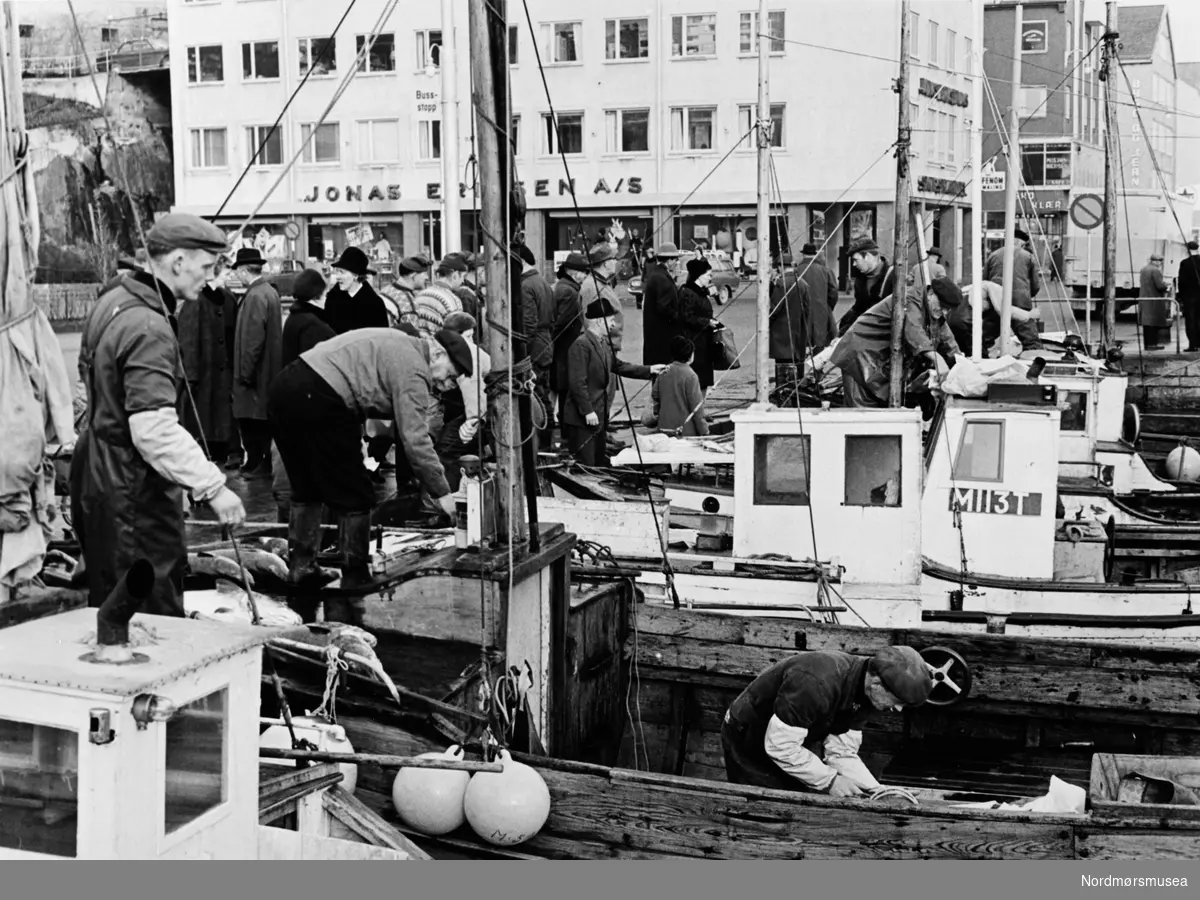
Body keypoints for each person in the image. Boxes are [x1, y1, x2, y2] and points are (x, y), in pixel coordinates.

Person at [69, 213, 246, 617]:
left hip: (99, 472)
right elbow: (153, 430)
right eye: (206, 266)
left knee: (109, 596)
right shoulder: (149, 326)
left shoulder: (112, 301)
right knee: (147, 609)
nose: (212, 278)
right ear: (178, 262)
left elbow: (89, 383)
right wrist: (213, 488)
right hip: (133, 490)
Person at [267, 327, 471, 624]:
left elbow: (356, 382)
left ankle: (302, 568)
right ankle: (355, 579)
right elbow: (415, 440)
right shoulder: (415, 369)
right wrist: (443, 495)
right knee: (356, 495)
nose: (449, 385)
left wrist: (358, 439)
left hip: (285, 388)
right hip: (319, 395)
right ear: (437, 354)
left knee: (307, 488)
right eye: (450, 375)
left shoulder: (398, 342)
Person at [721, 646, 933, 795]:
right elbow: (781, 747)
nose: (896, 709)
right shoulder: (815, 682)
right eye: (897, 701)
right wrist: (830, 781)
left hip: (793, 737)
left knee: (798, 793)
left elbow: (841, 752)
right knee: (761, 807)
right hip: (749, 734)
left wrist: (877, 790)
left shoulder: (867, 693)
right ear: (877, 682)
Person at [562, 295, 664, 467]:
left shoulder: (602, 344)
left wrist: (650, 370)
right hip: (584, 418)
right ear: (599, 321)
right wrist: (587, 411)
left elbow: (619, 366)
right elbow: (577, 383)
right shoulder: (581, 345)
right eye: (610, 320)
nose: (613, 324)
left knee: (599, 461)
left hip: (599, 416)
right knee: (586, 464)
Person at [830, 276, 960, 409]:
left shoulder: (933, 310)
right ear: (931, 294)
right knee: (862, 412)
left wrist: (961, 362)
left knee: (879, 412)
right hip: (858, 354)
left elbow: (947, 339)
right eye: (942, 306)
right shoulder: (908, 299)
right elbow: (914, 332)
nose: (944, 312)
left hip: (878, 360)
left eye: (948, 309)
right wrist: (937, 359)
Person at [272, 268, 337, 523]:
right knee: (304, 479)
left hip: (288, 406)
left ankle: (286, 531)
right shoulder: (314, 325)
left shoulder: (294, 318)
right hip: (307, 410)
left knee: (288, 474)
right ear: (319, 294)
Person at [178, 254, 235, 462]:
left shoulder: (223, 297)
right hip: (203, 376)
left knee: (216, 422)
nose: (229, 277)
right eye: (226, 272)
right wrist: (191, 377)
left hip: (217, 375)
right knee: (203, 421)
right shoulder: (196, 300)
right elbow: (189, 340)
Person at [231, 246, 283, 477]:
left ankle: (256, 464)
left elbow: (252, 340)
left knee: (253, 422)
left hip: (255, 375)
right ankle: (261, 462)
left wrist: (245, 373)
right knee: (262, 420)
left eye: (237, 271)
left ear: (243, 271)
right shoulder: (268, 292)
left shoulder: (254, 296)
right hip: (268, 370)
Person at [436, 312, 493, 491]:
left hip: (487, 409)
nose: (469, 341)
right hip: (482, 407)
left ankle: (448, 498)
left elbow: (473, 389)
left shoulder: (467, 353)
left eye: (470, 336)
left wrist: (472, 421)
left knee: (445, 449)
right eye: (467, 336)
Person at [769, 251, 837, 390]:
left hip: (781, 333)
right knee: (797, 363)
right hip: (798, 332)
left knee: (782, 365)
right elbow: (807, 310)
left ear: (780, 267)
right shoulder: (802, 283)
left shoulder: (781, 284)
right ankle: (797, 388)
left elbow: (774, 309)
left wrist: (766, 323)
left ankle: (783, 391)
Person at [940, 278, 1040, 358]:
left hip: (952, 320)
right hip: (966, 323)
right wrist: (1029, 315)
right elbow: (1004, 310)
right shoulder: (995, 288)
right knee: (979, 358)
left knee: (960, 355)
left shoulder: (974, 286)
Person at [519, 244, 555, 448]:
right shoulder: (541, 281)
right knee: (544, 395)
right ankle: (546, 442)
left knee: (539, 396)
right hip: (545, 342)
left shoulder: (525, 285)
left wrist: (522, 356)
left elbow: (528, 325)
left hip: (535, 348)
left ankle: (542, 445)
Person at [983, 228, 1043, 350]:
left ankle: (982, 358)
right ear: (1019, 242)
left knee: (984, 339)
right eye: (1023, 244)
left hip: (996, 302)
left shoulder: (993, 255)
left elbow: (986, 280)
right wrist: (1027, 295)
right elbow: (1035, 283)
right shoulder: (1028, 256)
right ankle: (1033, 360)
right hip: (1021, 302)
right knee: (1031, 340)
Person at [551, 251, 590, 420]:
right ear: (573, 272)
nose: (585, 276)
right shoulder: (569, 292)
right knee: (565, 388)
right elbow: (562, 324)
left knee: (559, 388)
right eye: (583, 272)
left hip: (559, 350)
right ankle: (565, 428)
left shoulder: (562, 286)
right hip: (564, 349)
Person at [643, 336, 709, 437]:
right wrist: (704, 431)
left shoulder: (664, 371)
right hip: (685, 430)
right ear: (691, 355)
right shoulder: (691, 375)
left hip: (663, 427)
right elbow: (697, 408)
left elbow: (655, 395)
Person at [676, 257, 718, 393]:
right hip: (693, 341)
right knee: (695, 381)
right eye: (708, 275)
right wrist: (707, 322)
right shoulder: (687, 292)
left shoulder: (701, 292)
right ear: (699, 276)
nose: (710, 278)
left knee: (703, 381)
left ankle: (700, 410)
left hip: (704, 342)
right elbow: (686, 317)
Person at [325, 246, 388, 334]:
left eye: (342, 272)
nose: (338, 277)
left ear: (356, 275)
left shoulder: (374, 304)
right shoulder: (332, 298)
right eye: (337, 271)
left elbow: (380, 338)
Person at [839, 239, 896, 335]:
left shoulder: (894, 276)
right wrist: (841, 334)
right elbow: (858, 310)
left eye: (855, 260)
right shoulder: (860, 280)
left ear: (868, 256)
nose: (854, 264)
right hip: (867, 334)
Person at [578, 243, 626, 351]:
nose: (615, 262)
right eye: (613, 259)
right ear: (605, 264)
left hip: (608, 348)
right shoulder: (591, 286)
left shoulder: (603, 283)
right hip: (601, 349)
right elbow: (589, 324)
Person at [641, 242, 683, 366]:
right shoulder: (661, 278)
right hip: (662, 339)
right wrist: (678, 317)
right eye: (675, 259)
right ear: (669, 260)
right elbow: (664, 308)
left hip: (655, 339)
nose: (676, 263)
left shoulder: (656, 274)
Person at [404, 255, 468, 336]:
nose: (462, 281)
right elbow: (455, 339)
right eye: (462, 276)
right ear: (454, 275)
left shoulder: (420, 296)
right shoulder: (453, 301)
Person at [380, 256, 428, 329]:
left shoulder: (385, 290)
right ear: (413, 275)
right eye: (424, 274)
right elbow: (411, 338)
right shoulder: (408, 304)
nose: (426, 277)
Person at [1138, 252, 1171, 351]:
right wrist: (1166, 285)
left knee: (1147, 324)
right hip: (1154, 298)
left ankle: (1147, 344)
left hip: (1145, 298)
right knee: (1154, 322)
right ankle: (1152, 344)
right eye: (1160, 261)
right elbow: (1159, 286)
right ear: (1156, 261)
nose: (1160, 263)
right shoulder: (1155, 270)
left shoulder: (1144, 269)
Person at [1178, 240, 1200, 353]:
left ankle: (1193, 345)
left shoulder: (1184, 263)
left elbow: (1181, 282)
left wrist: (1181, 297)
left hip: (1189, 297)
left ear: (1187, 250)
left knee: (1191, 321)